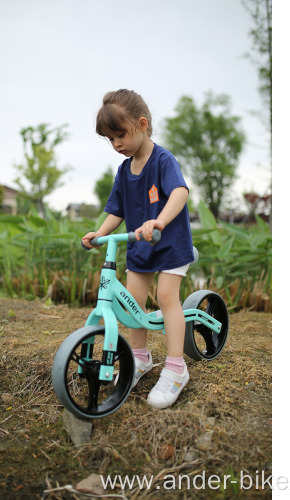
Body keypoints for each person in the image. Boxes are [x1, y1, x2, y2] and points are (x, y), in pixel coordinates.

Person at [82, 89, 195, 409]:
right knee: (132, 303)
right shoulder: (123, 170)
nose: (116, 144)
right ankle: (140, 359)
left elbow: (180, 193)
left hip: (169, 244)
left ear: (142, 124)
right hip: (139, 248)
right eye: (110, 139)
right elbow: (116, 210)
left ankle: (175, 368)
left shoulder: (163, 160)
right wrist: (99, 233)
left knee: (166, 298)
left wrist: (158, 221)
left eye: (120, 135)